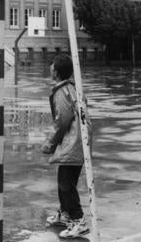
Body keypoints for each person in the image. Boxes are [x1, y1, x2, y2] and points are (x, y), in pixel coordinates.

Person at [42, 54, 91, 239]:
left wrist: (50, 143)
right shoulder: (71, 88)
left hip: (74, 141)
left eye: (52, 65)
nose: (50, 68)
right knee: (65, 180)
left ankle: (79, 220)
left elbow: (62, 121)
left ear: (56, 71)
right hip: (79, 140)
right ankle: (65, 214)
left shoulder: (62, 92)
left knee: (65, 184)